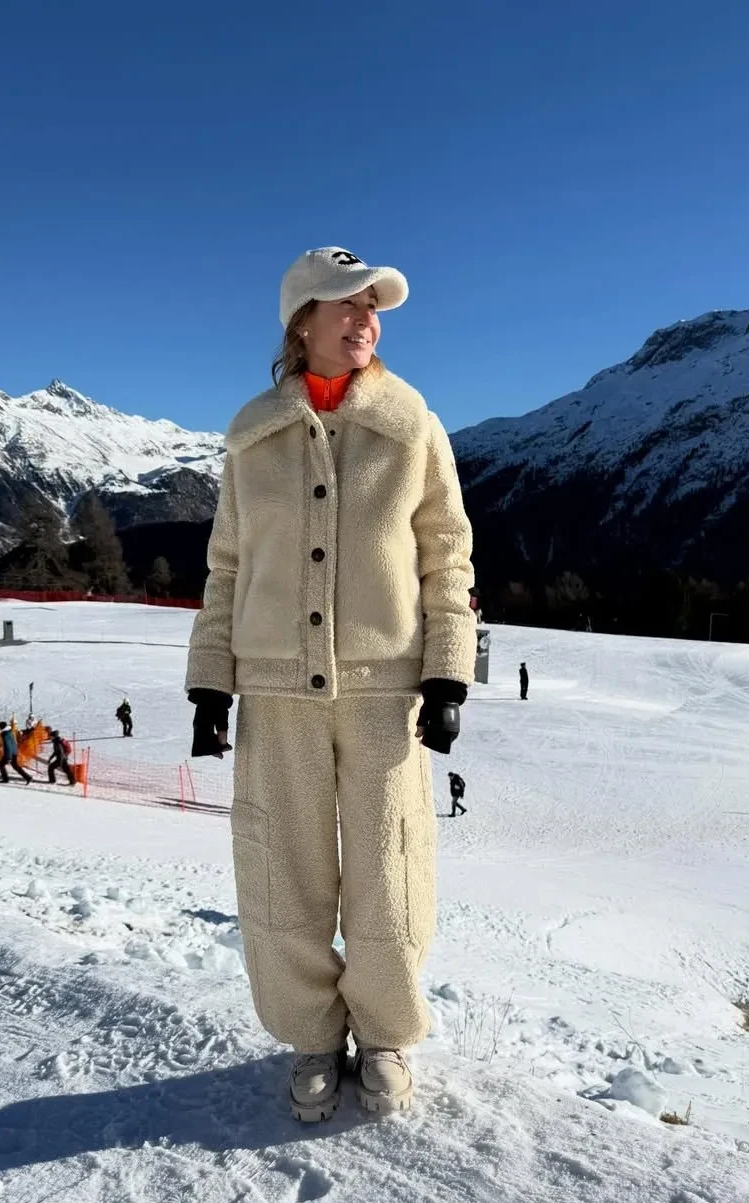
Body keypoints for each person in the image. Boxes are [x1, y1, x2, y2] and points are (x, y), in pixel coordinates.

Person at [185, 247, 475, 1121]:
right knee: (284, 870)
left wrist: (447, 672)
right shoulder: (252, 437)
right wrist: (210, 684)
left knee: (391, 868)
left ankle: (385, 1034)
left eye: (373, 306)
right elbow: (228, 569)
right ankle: (313, 1035)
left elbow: (447, 555)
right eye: (346, 303)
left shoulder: (412, 426)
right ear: (301, 320)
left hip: (386, 693)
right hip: (276, 692)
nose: (365, 319)